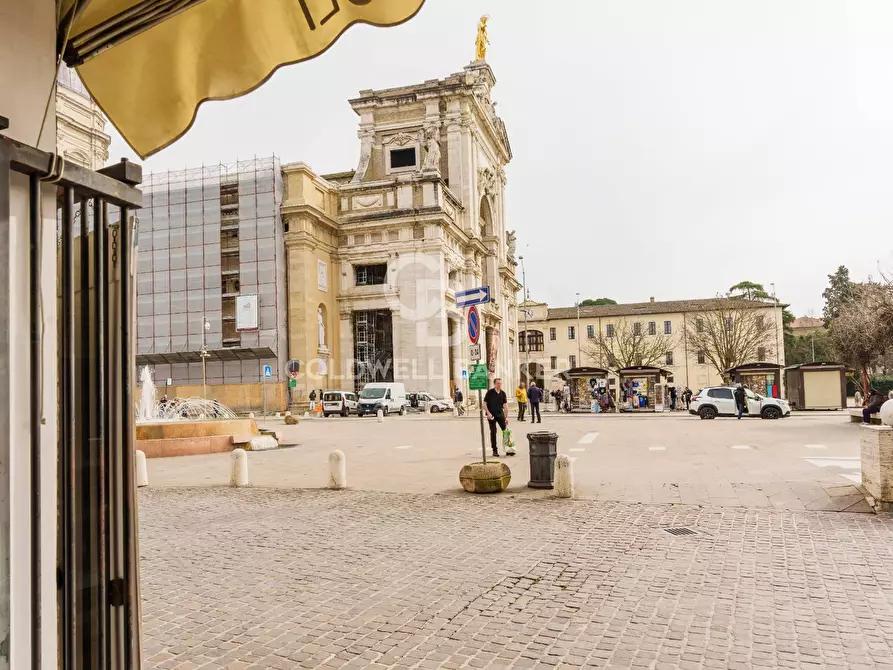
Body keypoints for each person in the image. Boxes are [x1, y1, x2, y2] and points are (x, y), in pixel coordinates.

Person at [483, 378, 509, 457]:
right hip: (491, 415)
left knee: (505, 432)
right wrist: (488, 413)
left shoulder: (503, 393)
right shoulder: (490, 392)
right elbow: (484, 404)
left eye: (500, 383)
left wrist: (506, 417)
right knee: (493, 432)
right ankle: (495, 450)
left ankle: (508, 448)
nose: (499, 385)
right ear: (494, 384)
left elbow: (505, 406)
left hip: (500, 414)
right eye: (498, 383)